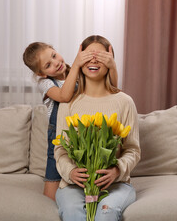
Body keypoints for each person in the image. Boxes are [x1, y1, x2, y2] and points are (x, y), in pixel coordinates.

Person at [54, 35, 141, 221]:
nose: (93, 60)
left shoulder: (125, 102)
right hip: (73, 186)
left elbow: (133, 150)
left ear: (110, 61)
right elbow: (60, 149)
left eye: (100, 56)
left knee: (105, 212)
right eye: (87, 55)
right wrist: (70, 172)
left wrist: (117, 170)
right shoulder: (68, 104)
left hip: (116, 185)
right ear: (79, 60)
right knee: (72, 213)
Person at [23, 42, 118, 201]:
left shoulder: (79, 72)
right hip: (59, 137)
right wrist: (76, 64)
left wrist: (112, 66)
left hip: (83, 134)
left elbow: (111, 88)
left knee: (85, 180)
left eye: (54, 56)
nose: (56, 63)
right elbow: (64, 96)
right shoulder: (46, 84)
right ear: (42, 74)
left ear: (55, 50)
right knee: (50, 197)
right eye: (48, 65)